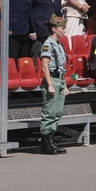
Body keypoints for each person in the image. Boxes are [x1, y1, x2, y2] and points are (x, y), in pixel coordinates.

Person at [37, 13, 68, 155]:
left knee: (57, 112)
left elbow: (62, 67)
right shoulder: (48, 44)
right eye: (62, 28)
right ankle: (46, 144)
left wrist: (64, 84)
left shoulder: (59, 45)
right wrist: (49, 84)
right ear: (54, 29)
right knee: (49, 112)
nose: (64, 30)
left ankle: (52, 142)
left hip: (60, 79)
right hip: (52, 80)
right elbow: (45, 66)